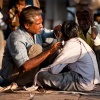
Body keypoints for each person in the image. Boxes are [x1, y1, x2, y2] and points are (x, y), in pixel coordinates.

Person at [0, 6, 63, 87]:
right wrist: (49, 51)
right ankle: (25, 82)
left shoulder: (37, 31)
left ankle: (38, 78)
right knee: (37, 49)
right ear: (27, 25)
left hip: (26, 72)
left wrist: (57, 31)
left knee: (55, 50)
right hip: (11, 76)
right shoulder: (17, 37)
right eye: (38, 24)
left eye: (41, 23)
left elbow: (52, 34)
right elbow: (26, 66)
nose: (41, 26)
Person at [36, 20, 100, 92]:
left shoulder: (70, 45)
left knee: (41, 75)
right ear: (77, 32)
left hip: (81, 82)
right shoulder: (78, 41)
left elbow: (54, 71)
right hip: (88, 81)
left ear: (62, 33)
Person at [76, 7, 100, 75]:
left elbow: (97, 43)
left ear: (90, 19)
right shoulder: (76, 30)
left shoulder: (97, 28)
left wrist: (92, 25)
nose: (81, 23)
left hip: (96, 61)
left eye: (84, 19)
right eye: (79, 19)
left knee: (98, 48)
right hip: (83, 61)